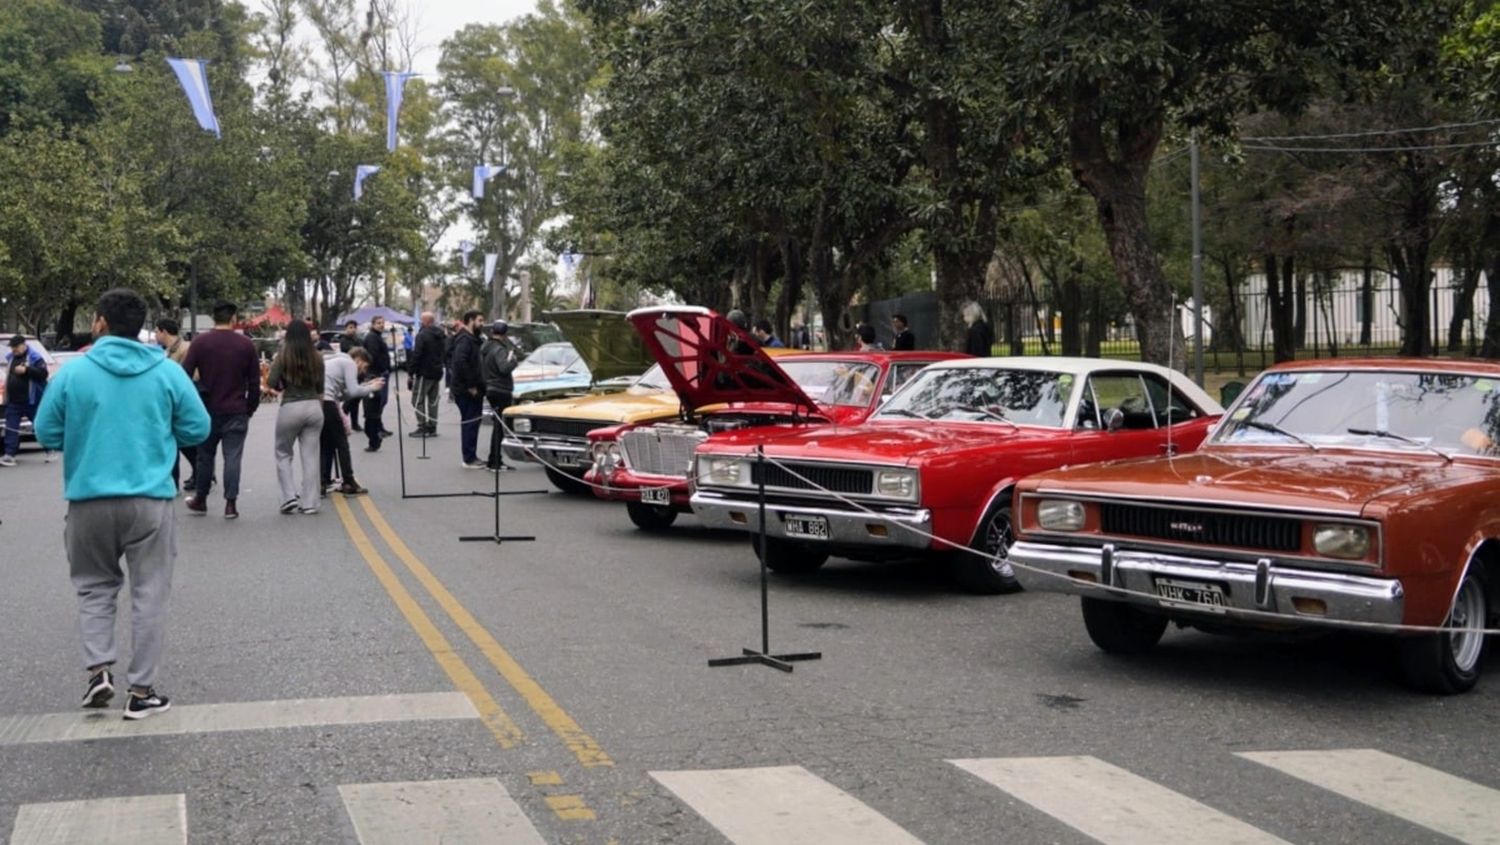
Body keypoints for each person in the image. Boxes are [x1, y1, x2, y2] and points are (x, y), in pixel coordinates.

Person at [34, 288, 210, 720]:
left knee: (94, 586)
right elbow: (198, 428)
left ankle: (99, 672)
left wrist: (82, 438)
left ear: (100, 322)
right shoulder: (166, 372)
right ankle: (142, 691)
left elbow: (44, 432)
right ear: (142, 325)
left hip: (88, 499)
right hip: (150, 499)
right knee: (150, 593)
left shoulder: (74, 374)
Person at [182, 302, 260, 519]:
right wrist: (249, 408)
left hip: (207, 409)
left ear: (214, 318)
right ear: (233, 318)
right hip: (236, 409)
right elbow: (254, 382)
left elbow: (184, 375)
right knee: (233, 457)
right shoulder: (246, 345)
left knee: (205, 456)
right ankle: (230, 504)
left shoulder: (200, 343)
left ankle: (201, 499)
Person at [267, 321, 326, 515]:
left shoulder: (283, 356)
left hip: (291, 406)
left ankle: (289, 497)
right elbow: (320, 388)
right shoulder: (317, 356)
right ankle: (310, 503)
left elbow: (271, 382)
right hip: (314, 407)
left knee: (283, 452)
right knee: (310, 456)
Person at [322, 346, 382, 495]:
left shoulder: (334, 360)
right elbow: (354, 392)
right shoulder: (348, 363)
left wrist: (367, 385)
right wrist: (372, 388)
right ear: (359, 359)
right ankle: (349, 481)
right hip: (328, 402)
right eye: (364, 366)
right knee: (341, 443)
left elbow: (344, 394)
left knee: (326, 443)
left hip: (318, 401)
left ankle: (323, 481)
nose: (363, 371)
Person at [153, 319, 200, 489]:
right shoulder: (168, 351)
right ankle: (192, 473)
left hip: (181, 401)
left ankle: (199, 472)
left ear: (164, 332)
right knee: (176, 441)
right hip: (172, 402)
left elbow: (193, 376)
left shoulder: (185, 349)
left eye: (156, 331)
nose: (155, 335)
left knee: (180, 442)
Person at [481, 320, 522, 471]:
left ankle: (494, 459)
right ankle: (495, 461)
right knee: (500, 427)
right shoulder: (499, 349)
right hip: (501, 389)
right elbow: (504, 368)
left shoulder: (485, 347)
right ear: (505, 334)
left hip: (490, 387)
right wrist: (513, 362)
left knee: (497, 426)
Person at [2, 335, 48, 467]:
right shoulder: (11, 358)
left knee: (39, 426)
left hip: (31, 400)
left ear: (23, 345)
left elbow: (43, 374)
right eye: (12, 347)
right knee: (11, 427)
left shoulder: (35, 357)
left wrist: (27, 370)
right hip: (14, 400)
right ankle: (9, 454)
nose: (13, 350)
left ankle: (49, 449)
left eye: (15, 347)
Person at [449, 310, 487, 469]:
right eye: (480, 320)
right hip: (467, 390)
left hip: (471, 388)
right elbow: (460, 362)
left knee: (472, 422)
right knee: (470, 422)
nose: (482, 323)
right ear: (471, 321)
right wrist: (471, 385)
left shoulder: (472, 339)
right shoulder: (465, 340)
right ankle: (469, 458)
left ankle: (471, 455)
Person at [407, 311, 446, 437]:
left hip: (424, 372)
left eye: (421, 320)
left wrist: (411, 372)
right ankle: (432, 426)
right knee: (433, 400)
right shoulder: (440, 335)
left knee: (417, 400)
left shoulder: (422, 335)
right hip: (437, 371)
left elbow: (417, 355)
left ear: (425, 321)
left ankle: (422, 426)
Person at [362, 315, 392, 450]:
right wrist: (380, 369)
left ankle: (379, 427)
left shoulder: (378, 336)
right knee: (376, 403)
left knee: (381, 401)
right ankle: (376, 431)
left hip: (380, 372)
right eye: (379, 323)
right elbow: (373, 356)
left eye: (382, 323)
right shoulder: (372, 337)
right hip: (375, 374)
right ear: (373, 324)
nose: (381, 325)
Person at [340, 320, 363, 431]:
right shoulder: (344, 341)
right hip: (349, 371)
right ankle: (341, 417)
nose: (353, 329)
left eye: (354, 327)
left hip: (359, 371)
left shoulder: (358, 340)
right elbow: (349, 352)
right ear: (346, 328)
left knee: (356, 399)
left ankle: (355, 423)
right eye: (350, 327)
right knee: (350, 398)